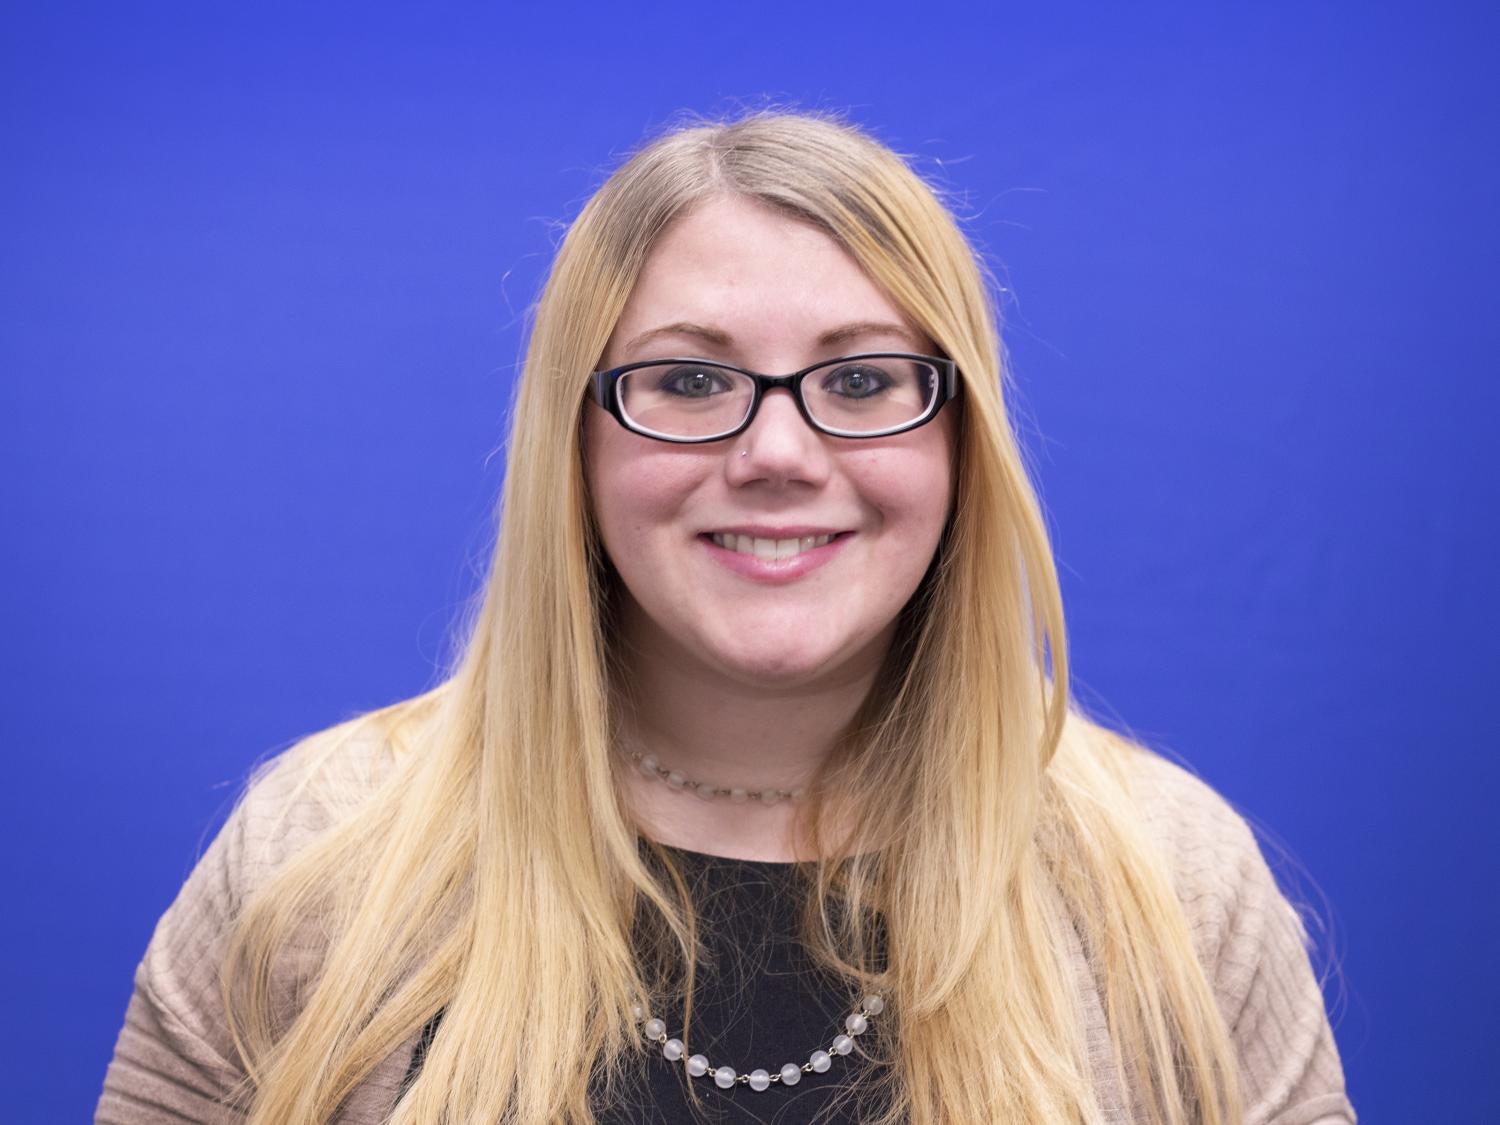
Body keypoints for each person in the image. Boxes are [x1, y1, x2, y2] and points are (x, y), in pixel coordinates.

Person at [98, 110, 1355, 1125]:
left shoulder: (1175, 886)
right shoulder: (319, 857)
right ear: (572, 442)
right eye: (690, 380)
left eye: (863, 380)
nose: (776, 451)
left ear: (962, 440)